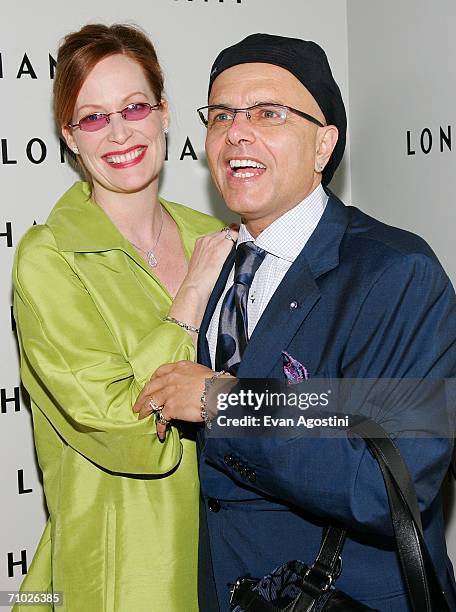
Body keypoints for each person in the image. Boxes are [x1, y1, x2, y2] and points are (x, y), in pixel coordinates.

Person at [133, 34, 456, 611]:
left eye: (269, 113)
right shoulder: (213, 264)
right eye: (222, 114)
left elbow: (390, 481)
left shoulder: (397, 273)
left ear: (323, 144)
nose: (237, 131)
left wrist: (224, 402)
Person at [12, 23, 238, 612]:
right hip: (124, 577)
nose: (118, 132)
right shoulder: (48, 258)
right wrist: (189, 297)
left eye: (135, 106)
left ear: (164, 113)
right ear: (69, 137)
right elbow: (133, 431)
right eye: (92, 117)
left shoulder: (212, 236)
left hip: (232, 562)